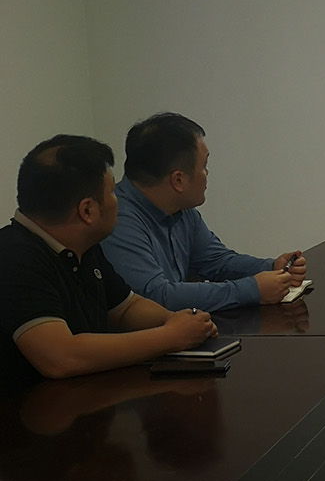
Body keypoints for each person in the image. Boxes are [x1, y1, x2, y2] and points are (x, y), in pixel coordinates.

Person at [0, 134, 217, 397]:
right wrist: (170, 337)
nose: (118, 201)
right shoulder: (13, 257)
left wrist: (175, 320)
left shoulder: (82, 247)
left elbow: (127, 308)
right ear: (87, 211)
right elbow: (60, 357)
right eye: (112, 192)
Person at [102, 113, 305, 311]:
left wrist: (272, 268)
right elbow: (156, 297)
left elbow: (217, 261)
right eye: (204, 166)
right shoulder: (118, 220)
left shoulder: (180, 208)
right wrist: (251, 290)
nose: (207, 174)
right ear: (178, 180)